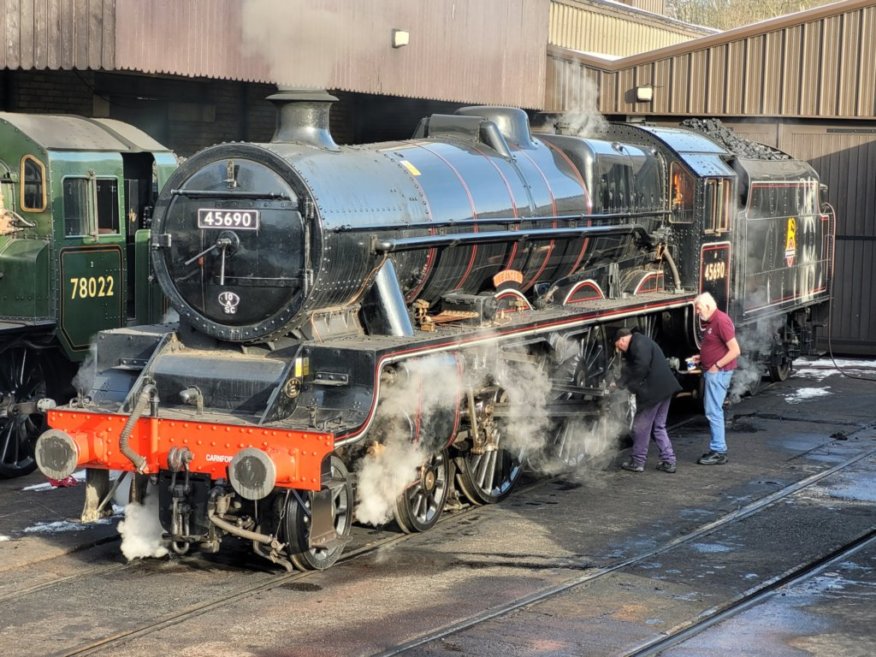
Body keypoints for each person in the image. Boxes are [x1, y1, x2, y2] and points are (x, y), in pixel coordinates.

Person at [613, 327, 682, 473]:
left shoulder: (638, 344)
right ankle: (669, 461)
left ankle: (638, 461)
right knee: (658, 427)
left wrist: (631, 387)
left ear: (623, 339)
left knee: (641, 427)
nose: (619, 350)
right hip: (665, 389)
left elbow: (640, 368)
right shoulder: (640, 343)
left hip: (653, 392)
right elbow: (631, 368)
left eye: (618, 346)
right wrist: (619, 384)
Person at [689, 292, 741, 465]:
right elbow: (716, 346)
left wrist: (716, 365)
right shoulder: (713, 321)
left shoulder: (721, 321)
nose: (697, 312)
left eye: (698, 308)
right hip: (714, 371)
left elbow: (735, 350)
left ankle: (719, 451)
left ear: (708, 306)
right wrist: (701, 357)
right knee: (713, 410)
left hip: (718, 372)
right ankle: (717, 449)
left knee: (713, 411)